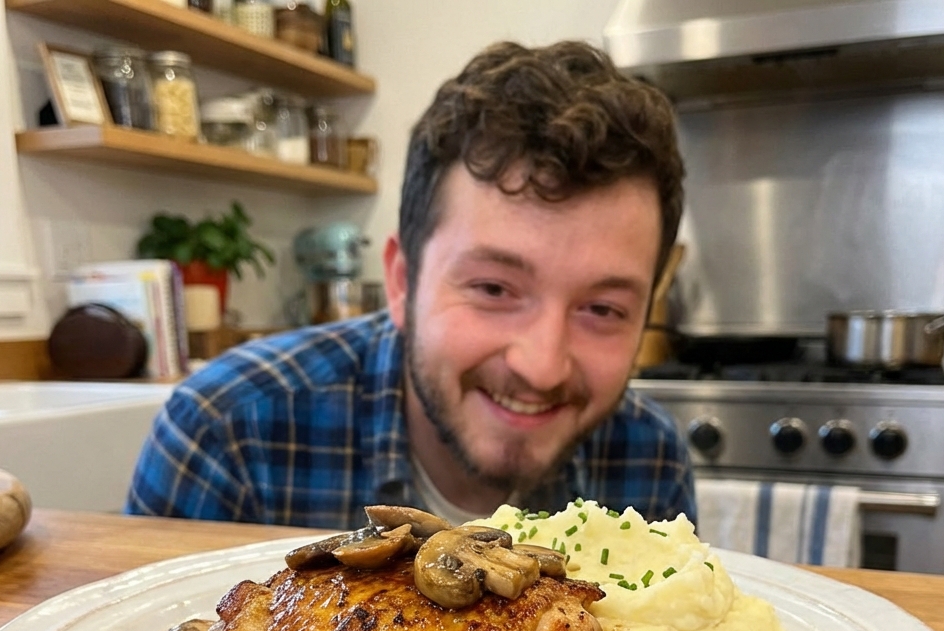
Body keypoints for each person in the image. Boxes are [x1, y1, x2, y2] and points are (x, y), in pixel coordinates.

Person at [126, 40, 695, 529]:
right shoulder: (229, 432)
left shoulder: (649, 459)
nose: (541, 366)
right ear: (402, 281)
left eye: (601, 308)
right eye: (494, 289)